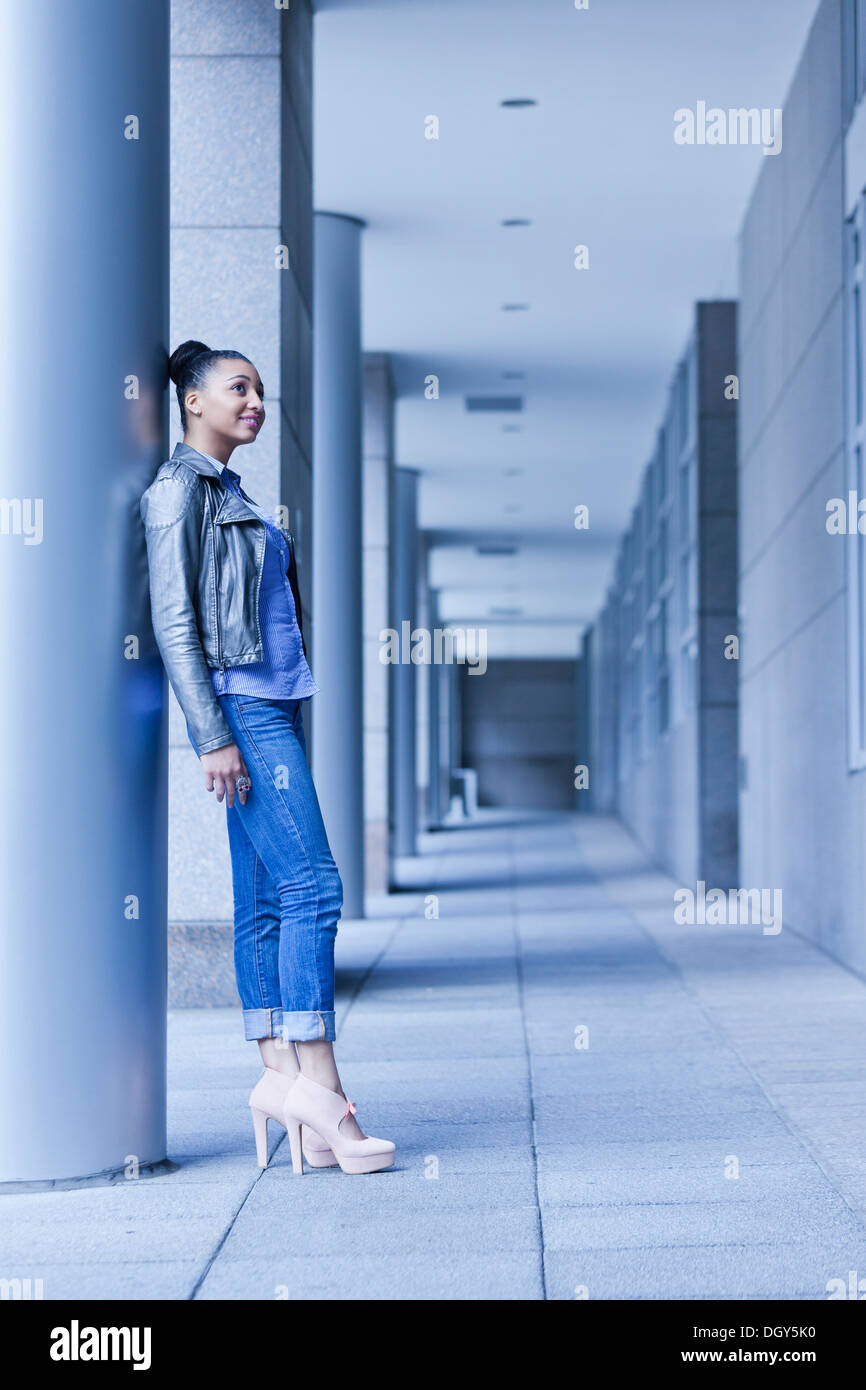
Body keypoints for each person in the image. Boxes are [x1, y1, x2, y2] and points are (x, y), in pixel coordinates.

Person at [139, 339, 394, 1177]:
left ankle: (278, 1080)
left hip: (269, 703)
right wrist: (211, 734)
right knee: (315, 887)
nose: (254, 402)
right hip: (243, 708)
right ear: (191, 401)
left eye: (259, 390)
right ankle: (321, 1084)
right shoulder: (179, 494)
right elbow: (175, 624)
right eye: (238, 389)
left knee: (264, 897)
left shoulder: (229, 491)